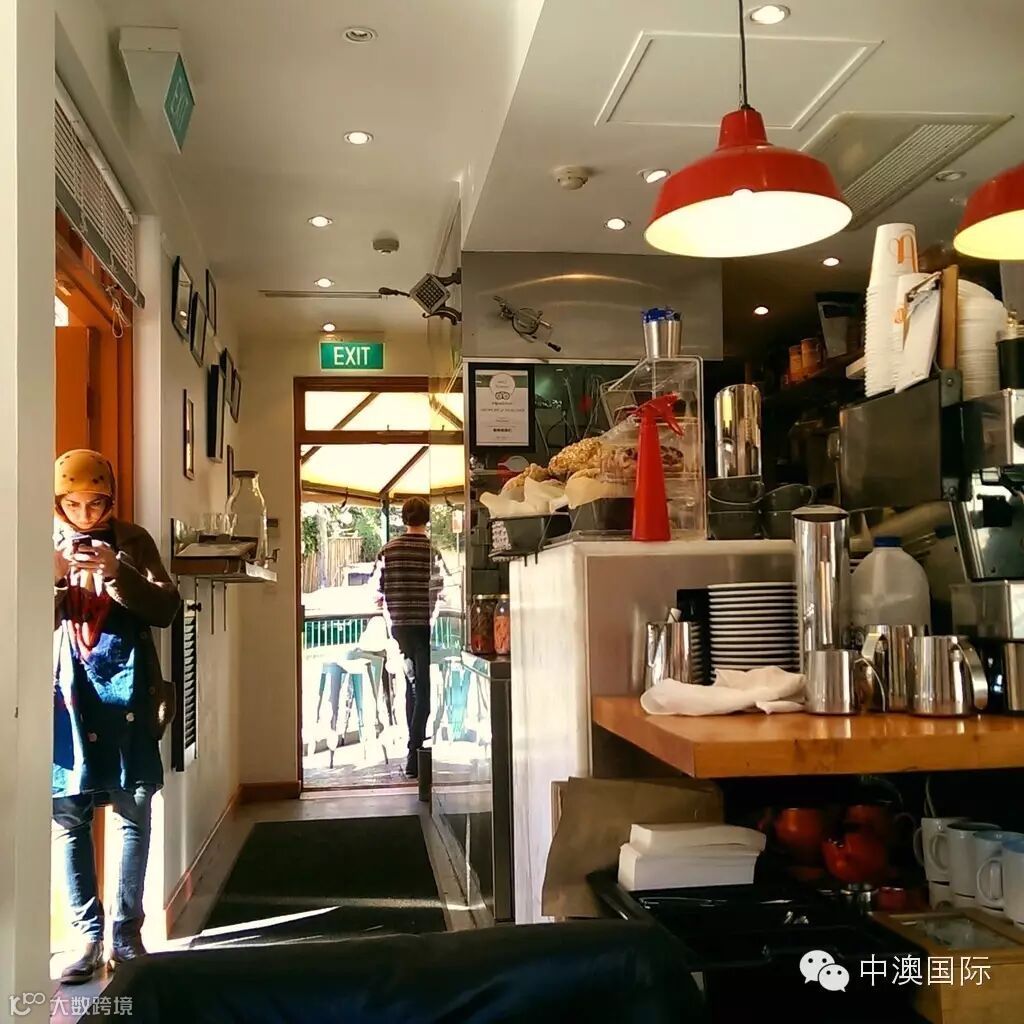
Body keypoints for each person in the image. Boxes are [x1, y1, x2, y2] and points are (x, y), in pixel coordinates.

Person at [51, 450, 181, 982]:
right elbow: (21, 618)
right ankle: (87, 935)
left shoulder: (134, 540)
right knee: (69, 815)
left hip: (129, 691)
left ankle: (126, 933)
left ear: (111, 499)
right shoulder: (43, 541)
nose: (84, 515)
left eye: (95, 503)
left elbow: (166, 609)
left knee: (134, 811)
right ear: (58, 503)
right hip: (68, 695)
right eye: (72, 505)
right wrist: (55, 578)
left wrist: (117, 572)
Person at [374, 497, 443, 778]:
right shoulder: (432, 551)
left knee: (411, 687)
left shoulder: (388, 550)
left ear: (403, 518)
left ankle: (414, 753)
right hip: (423, 626)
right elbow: (439, 588)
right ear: (427, 518)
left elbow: (377, 591)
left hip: (399, 628)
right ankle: (415, 753)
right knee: (422, 689)